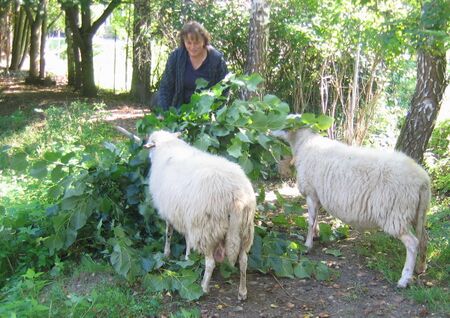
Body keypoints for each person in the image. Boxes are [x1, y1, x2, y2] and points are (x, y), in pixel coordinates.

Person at [156, 21, 228, 111]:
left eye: (197, 43)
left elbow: (224, 91)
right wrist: (164, 113)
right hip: (178, 111)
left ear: (204, 41)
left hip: (206, 113)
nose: (193, 47)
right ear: (183, 42)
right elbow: (165, 88)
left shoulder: (216, 60)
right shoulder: (176, 57)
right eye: (189, 43)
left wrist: (216, 114)